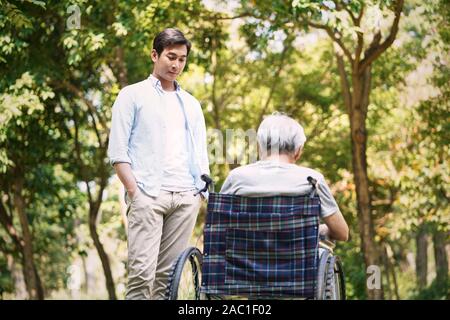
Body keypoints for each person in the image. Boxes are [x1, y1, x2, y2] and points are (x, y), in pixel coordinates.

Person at [107, 28, 209, 300]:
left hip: (186, 197)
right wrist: (135, 193)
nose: (176, 64)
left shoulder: (191, 104)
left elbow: (200, 151)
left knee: (167, 281)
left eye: (182, 59)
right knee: (142, 275)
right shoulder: (132, 95)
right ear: (155, 55)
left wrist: (199, 193)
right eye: (170, 57)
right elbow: (118, 152)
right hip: (148, 196)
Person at [220, 112, 348, 242]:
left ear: (259, 147)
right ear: (298, 151)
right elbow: (342, 233)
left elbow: (217, 227)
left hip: (241, 260)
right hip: (299, 261)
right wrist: (317, 229)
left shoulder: (236, 178)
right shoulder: (312, 181)